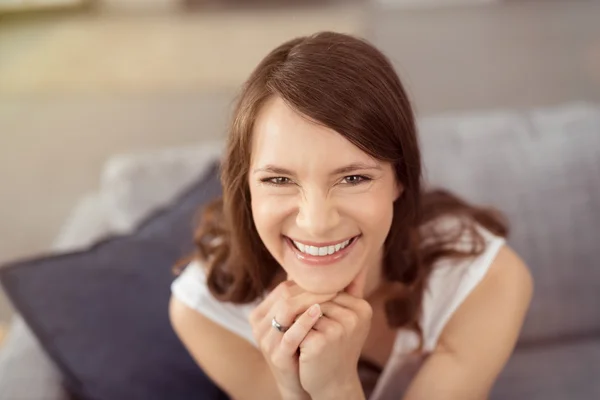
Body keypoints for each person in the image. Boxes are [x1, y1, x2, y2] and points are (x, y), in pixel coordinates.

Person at [169, 31, 533, 400]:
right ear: (246, 188)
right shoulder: (205, 313)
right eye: (279, 179)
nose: (316, 222)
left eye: (353, 178)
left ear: (400, 180)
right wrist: (292, 389)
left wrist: (335, 387)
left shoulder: (484, 282)